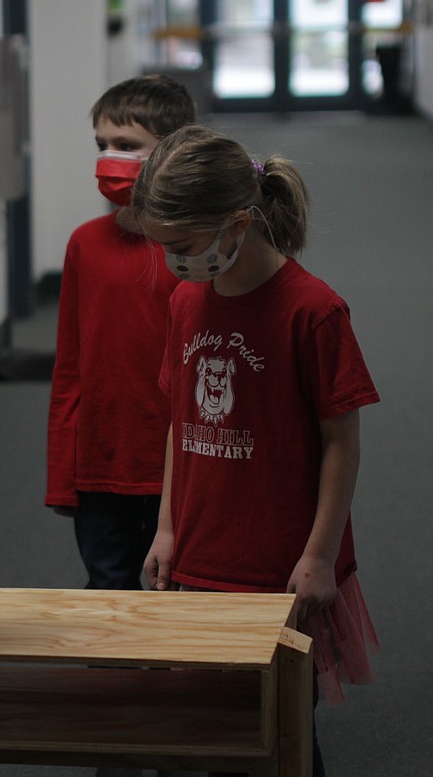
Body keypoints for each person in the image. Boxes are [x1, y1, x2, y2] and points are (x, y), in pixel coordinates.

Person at [135, 125, 379, 776]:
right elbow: (177, 422)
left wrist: (320, 556)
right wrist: (166, 528)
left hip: (281, 565)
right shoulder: (187, 300)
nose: (172, 261)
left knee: (284, 735)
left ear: (238, 223)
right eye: (162, 246)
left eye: (181, 246)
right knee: (212, 729)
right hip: (201, 553)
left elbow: (340, 441)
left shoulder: (313, 311)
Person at [45, 74, 195, 591]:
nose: (110, 157)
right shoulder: (85, 244)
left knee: (179, 599)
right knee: (107, 595)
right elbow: (70, 366)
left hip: (183, 467)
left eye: (127, 146)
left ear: (172, 153)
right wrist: (64, 474)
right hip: (103, 465)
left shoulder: (196, 251)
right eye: (101, 145)